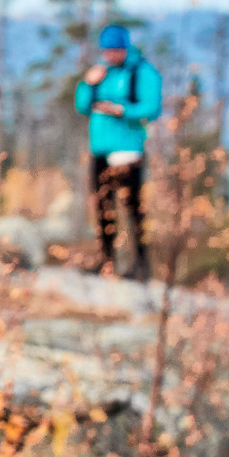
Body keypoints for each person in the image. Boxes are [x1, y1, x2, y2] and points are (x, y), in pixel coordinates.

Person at [74, 21, 160, 278]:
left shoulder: (141, 72)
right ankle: (107, 261)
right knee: (102, 205)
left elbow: (152, 107)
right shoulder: (101, 72)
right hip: (100, 147)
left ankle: (141, 264)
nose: (109, 55)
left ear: (124, 48)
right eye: (106, 51)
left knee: (132, 207)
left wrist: (122, 110)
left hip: (128, 149)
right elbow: (81, 106)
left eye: (114, 50)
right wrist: (87, 83)